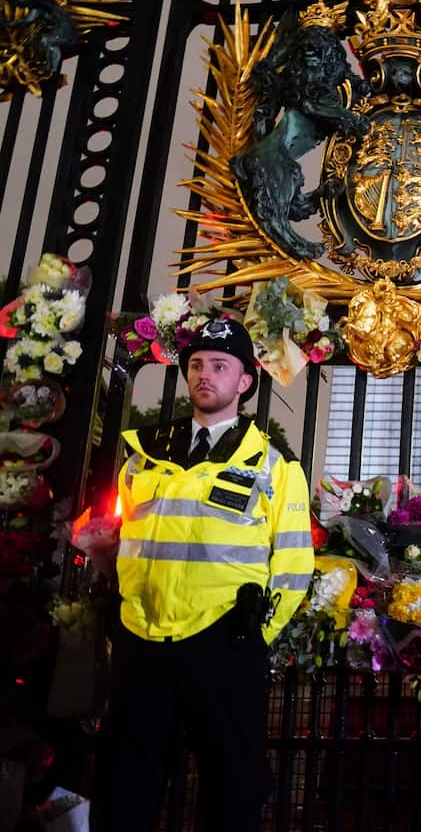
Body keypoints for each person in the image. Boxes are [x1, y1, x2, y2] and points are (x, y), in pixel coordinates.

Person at [92, 317, 314, 831]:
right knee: (127, 787)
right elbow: (126, 539)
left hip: (224, 643)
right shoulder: (142, 458)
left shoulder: (275, 467)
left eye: (220, 365)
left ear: (243, 382)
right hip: (142, 640)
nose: (204, 375)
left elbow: (294, 565)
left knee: (231, 789)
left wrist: (256, 632)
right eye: (195, 365)